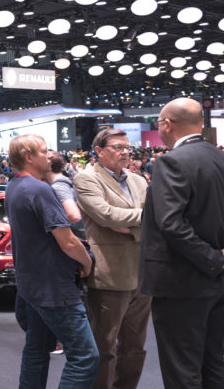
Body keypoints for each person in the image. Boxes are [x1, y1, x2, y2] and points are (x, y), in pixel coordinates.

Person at [140, 98, 224, 388]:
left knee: (182, 367)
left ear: (167, 125)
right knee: (214, 360)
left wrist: (217, 258)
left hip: (182, 282)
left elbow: (171, 223)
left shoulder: (171, 161)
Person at [5, 134, 98, 388]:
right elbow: (67, 240)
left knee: (36, 349)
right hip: (54, 287)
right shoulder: (39, 189)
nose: (50, 156)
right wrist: (87, 262)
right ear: (28, 156)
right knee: (85, 357)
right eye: (44, 151)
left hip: (31, 284)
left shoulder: (13, 186)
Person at [74, 128, 151, 389]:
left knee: (135, 348)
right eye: (117, 147)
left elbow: (147, 219)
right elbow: (106, 215)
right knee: (104, 347)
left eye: (127, 147)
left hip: (142, 275)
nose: (125, 152)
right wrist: (144, 219)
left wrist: (129, 226)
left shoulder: (138, 181)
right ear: (99, 151)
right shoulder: (86, 179)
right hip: (109, 275)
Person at [49, 152, 84, 238]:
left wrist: (48, 225)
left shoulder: (58, 186)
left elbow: (73, 216)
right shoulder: (62, 183)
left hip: (74, 233)